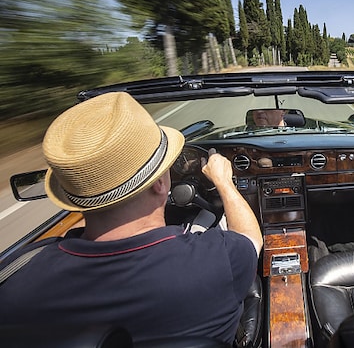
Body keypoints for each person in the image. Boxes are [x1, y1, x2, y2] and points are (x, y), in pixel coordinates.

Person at [0, 92, 263, 344]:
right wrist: (224, 183)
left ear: (74, 198)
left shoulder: (15, 277)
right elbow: (251, 239)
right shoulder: (219, 260)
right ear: (160, 183)